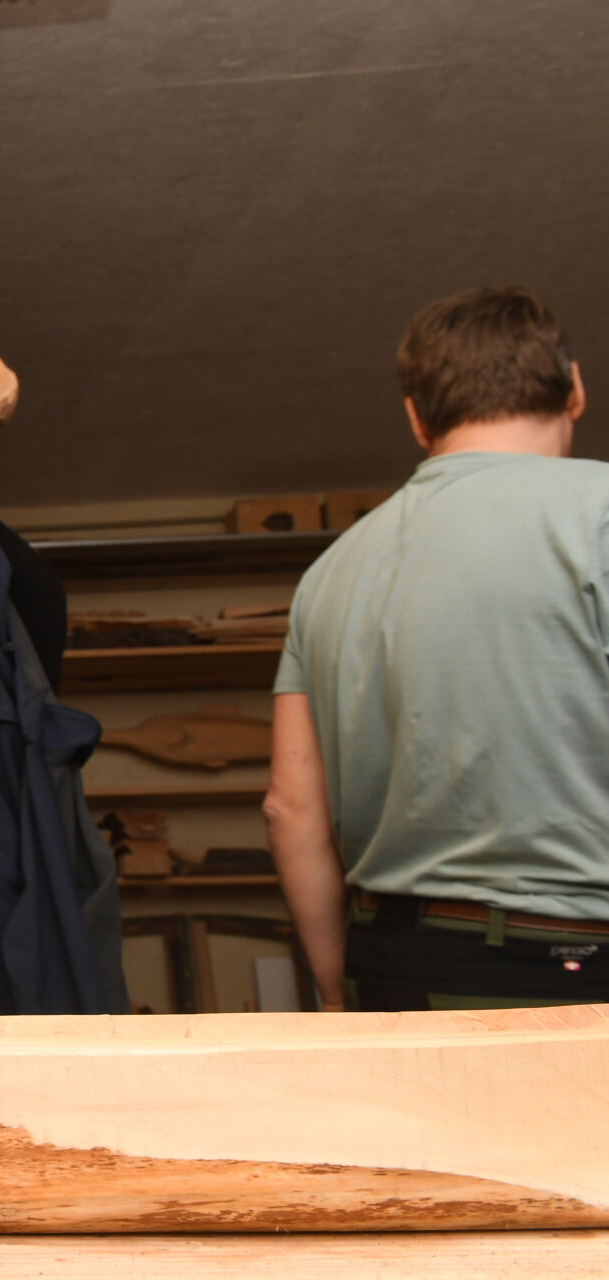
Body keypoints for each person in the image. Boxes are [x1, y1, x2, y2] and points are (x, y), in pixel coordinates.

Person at [265, 286, 609, 1012]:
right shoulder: (600, 514)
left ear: (418, 420)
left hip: (395, 965)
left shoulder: (329, 572)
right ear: (575, 389)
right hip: (582, 959)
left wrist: (336, 989)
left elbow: (290, 810)